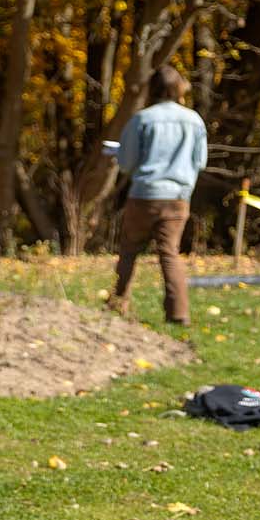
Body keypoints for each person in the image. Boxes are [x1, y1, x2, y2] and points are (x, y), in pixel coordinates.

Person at [109, 65, 207, 326]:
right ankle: (178, 313)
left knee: (129, 249)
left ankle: (118, 303)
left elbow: (128, 163)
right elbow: (201, 161)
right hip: (178, 197)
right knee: (169, 253)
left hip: (144, 195)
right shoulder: (194, 120)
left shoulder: (142, 119)